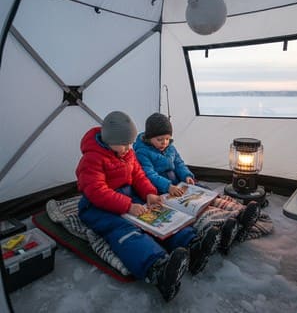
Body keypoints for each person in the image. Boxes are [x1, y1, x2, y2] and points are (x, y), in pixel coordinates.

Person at [76, 111, 219, 302]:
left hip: (127, 196)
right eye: (125, 143)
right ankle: (157, 269)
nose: (129, 147)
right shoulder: (92, 159)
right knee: (123, 230)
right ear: (110, 140)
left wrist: (149, 194)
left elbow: (138, 176)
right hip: (96, 207)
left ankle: (192, 244)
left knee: (157, 218)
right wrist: (128, 206)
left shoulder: (127, 153)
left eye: (130, 143)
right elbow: (97, 192)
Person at [133, 112, 260, 255]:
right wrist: (168, 186)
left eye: (167, 139)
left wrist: (187, 175)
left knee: (204, 194)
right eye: (160, 139)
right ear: (149, 138)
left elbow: (179, 163)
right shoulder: (143, 152)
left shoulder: (170, 148)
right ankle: (221, 223)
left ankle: (240, 213)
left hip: (179, 185)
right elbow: (149, 175)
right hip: (163, 190)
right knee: (194, 208)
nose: (164, 143)